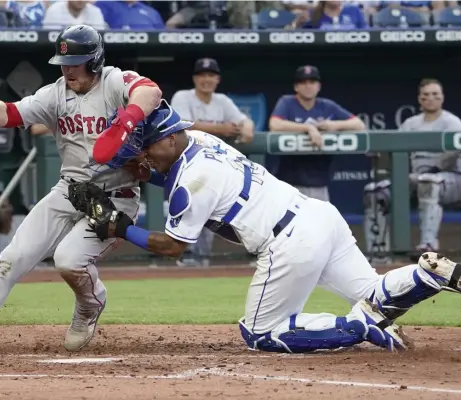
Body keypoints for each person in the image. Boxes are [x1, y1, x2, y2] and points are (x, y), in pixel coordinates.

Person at [76, 100, 461, 354]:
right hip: (319, 217)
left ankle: (357, 327)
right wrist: (142, 168)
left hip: (289, 242)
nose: (144, 160)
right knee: (371, 290)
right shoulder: (199, 139)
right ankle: (426, 276)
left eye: (147, 151)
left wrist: (119, 227)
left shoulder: (190, 186)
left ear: (170, 137)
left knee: (260, 333)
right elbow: (173, 169)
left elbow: (173, 246)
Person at [0, 25, 162, 357]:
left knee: (68, 260)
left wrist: (126, 120)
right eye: (64, 60)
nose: (67, 68)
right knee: (11, 259)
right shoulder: (56, 92)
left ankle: (90, 305)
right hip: (71, 190)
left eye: (75, 61)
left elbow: (150, 92)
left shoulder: (115, 81)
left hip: (115, 196)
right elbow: (14, 113)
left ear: (94, 61)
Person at [364, 78, 461, 264]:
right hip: (418, 177)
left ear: (442, 98)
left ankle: (428, 245)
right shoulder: (411, 123)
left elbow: (449, 158)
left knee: (428, 183)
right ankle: (379, 251)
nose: (430, 98)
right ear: (419, 99)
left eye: (435, 95)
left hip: (452, 179)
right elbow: (393, 150)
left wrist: (429, 172)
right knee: (375, 192)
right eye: (426, 95)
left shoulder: (452, 122)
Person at [171, 58, 254, 267]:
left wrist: (247, 126)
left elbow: (243, 120)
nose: (206, 79)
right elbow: (182, 126)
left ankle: (202, 260)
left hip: (214, 169)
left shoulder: (222, 101)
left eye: (210, 75)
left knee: (213, 214)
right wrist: (220, 129)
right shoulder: (183, 96)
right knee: (188, 211)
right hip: (188, 166)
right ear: (194, 78)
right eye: (201, 75)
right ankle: (185, 255)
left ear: (217, 79)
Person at [269, 65, 366, 202]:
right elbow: (275, 124)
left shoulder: (326, 105)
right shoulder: (287, 102)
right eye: (303, 82)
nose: (308, 86)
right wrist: (308, 128)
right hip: (289, 181)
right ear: (296, 87)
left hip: (319, 181)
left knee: (320, 222)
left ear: (318, 86)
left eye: (312, 82)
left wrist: (335, 125)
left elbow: (359, 124)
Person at [95, 0, 165, 30]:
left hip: (150, 51)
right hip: (119, 50)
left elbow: (163, 35)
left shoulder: (152, 12)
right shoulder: (104, 4)